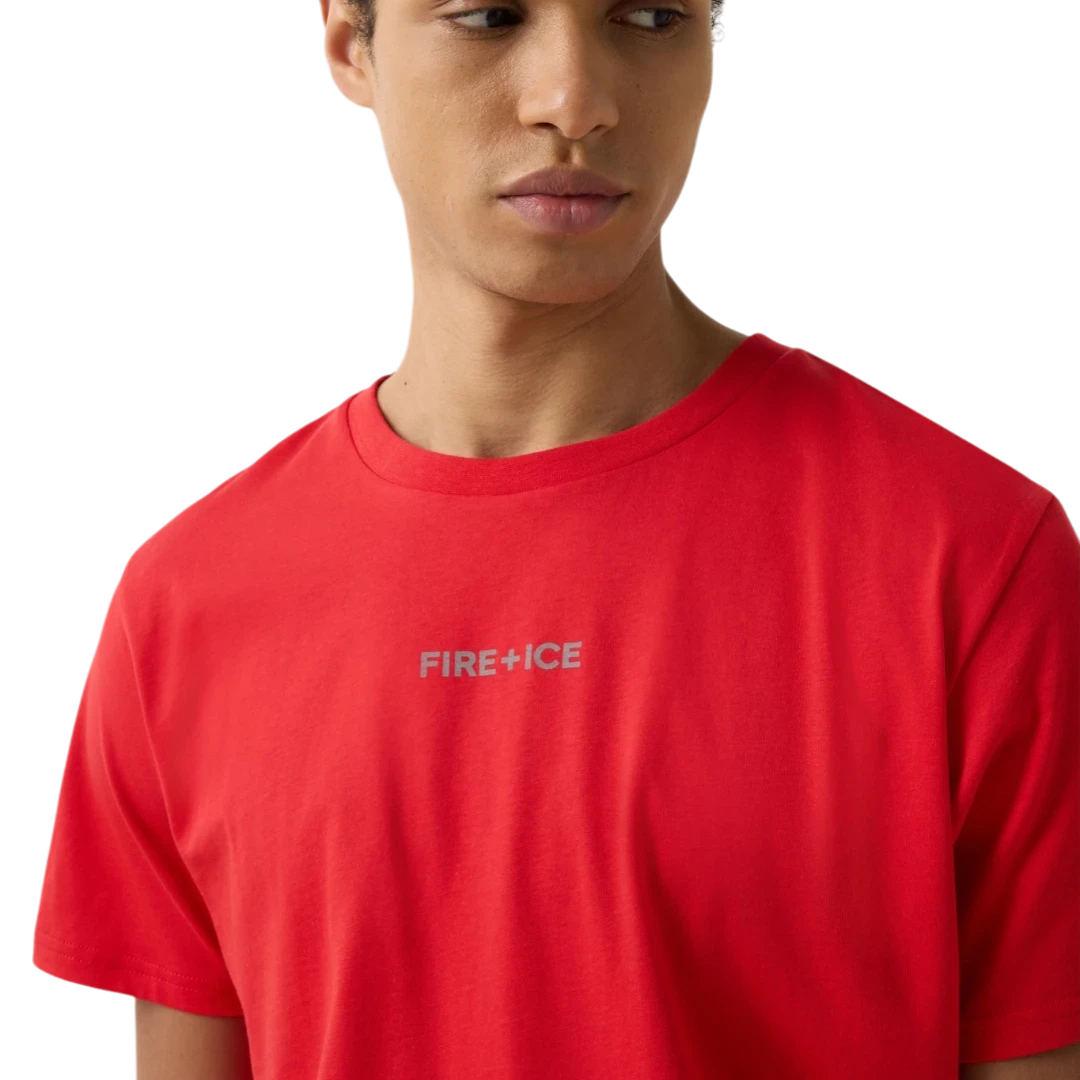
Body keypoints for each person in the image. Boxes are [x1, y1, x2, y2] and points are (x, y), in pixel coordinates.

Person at [32, 0, 1080, 1077]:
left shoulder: (972, 564)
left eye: (650, 16)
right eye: (490, 17)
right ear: (351, 46)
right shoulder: (187, 608)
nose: (574, 101)